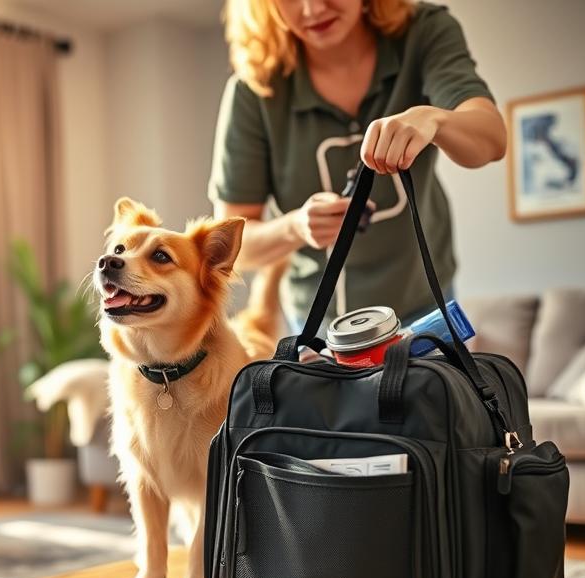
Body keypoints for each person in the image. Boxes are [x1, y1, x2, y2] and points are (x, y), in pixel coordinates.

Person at [209, 0, 506, 333]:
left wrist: (435, 119)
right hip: (320, 325)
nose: (312, 9)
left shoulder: (423, 32)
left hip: (423, 308)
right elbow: (233, 246)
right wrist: (295, 228)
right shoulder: (253, 90)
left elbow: (492, 140)